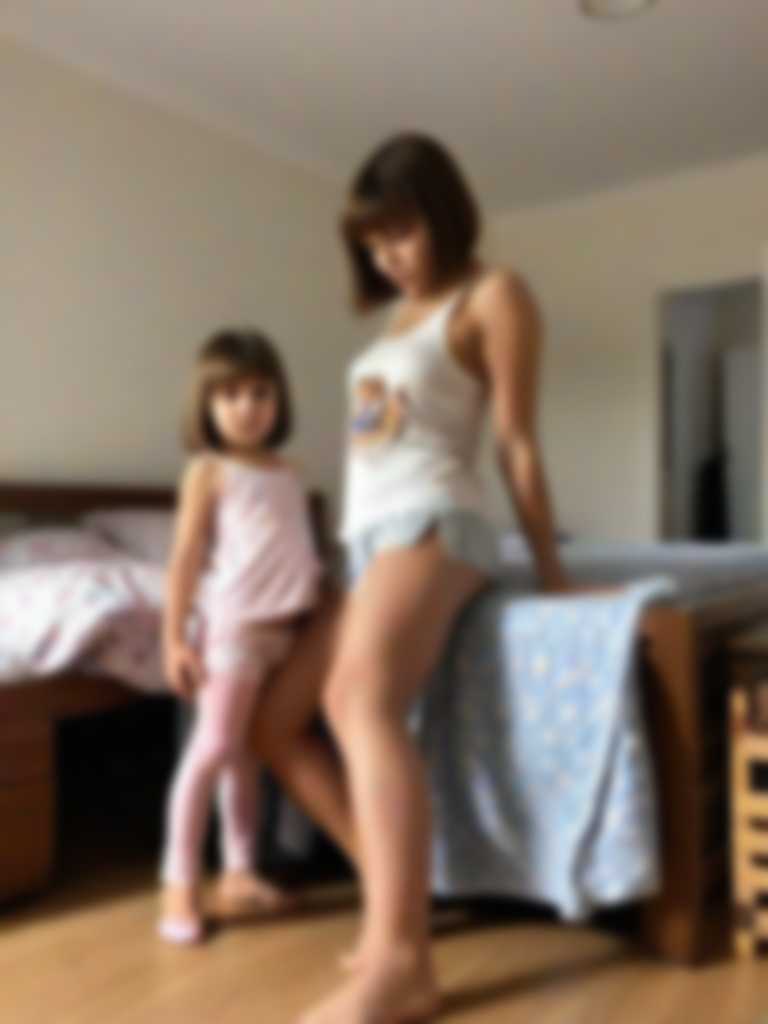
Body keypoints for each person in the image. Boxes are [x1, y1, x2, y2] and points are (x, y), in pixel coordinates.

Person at [251, 131, 571, 1023]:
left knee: (356, 699)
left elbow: (515, 444)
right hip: (369, 543)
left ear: (443, 212)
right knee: (274, 724)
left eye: (401, 232)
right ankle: (399, 892)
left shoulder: (494, 293)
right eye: (372, 242)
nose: (388, 256)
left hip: (439, 521)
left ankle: (401, 962)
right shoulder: (393, 319)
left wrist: (551, 573)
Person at [157, 328, 324, 944]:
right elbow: (185, 557)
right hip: (234, 628)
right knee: (214, 748)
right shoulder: (209, 470)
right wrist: (173, 638)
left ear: (279, 399)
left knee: (247, 757)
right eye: (229, 395)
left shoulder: (290, 471)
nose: (247, 407)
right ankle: (177, 881)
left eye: (260, 393)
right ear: (206, 404)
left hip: (285, 632)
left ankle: (239, 870)